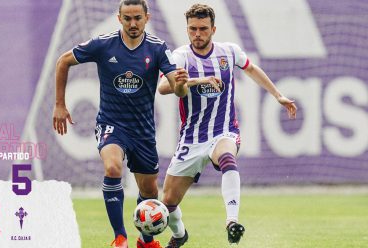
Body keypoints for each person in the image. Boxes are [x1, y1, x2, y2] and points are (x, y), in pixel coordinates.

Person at [157, 4, 297, 247]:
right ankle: (180, 236)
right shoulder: (180, 56)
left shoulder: (229, 52)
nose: (197, 34)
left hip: (223, 131)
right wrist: (192, 81)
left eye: (202, 29)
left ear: (213, 28)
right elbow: (164, 88)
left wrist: (278, 95)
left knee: (227, 156)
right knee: (167, 204)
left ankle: (232, 221)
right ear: (187, 29)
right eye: (192, 29)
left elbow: (251, 69)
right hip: (191, 139)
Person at [53, 0, 188, 247]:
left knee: (149, 192)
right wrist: (60, 104)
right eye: (127, 18)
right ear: (119, 18)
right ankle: (120, 237)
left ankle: (146, 241)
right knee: (113, 168)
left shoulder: (158, 49)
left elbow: (178, 90)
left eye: (137, 17)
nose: (133, 23)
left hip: (143, 130)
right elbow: (63, 61)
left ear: (147, 18)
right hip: (111, 124)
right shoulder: (103, 44)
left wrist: (180, 83)